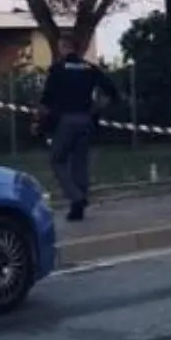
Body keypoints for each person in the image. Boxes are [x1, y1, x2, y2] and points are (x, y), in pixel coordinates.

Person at [40, 33, 119, 221]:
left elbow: (47, 99)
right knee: (80, 162)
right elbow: (112, 92)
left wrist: (41, 120)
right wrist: (97, 109)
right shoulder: (90, 68)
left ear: (64, 47)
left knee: (57, 159)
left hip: (66, 120)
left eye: (60, 46)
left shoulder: (58, 69)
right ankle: (78, 208)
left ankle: (76, 197)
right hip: (86, 120)